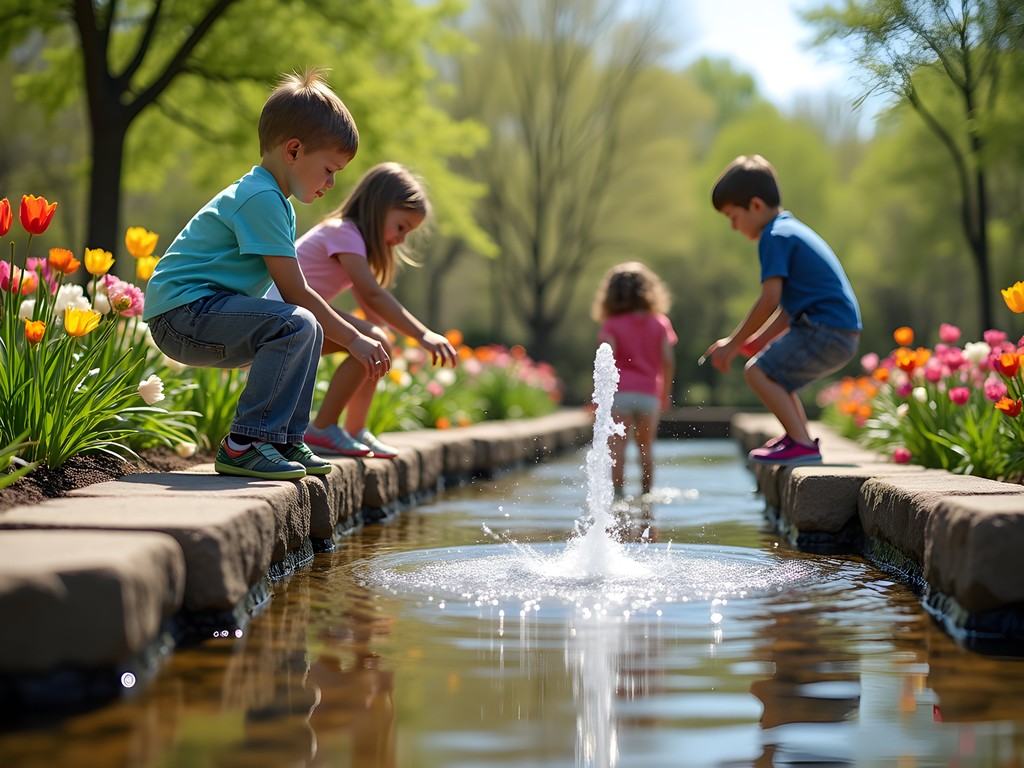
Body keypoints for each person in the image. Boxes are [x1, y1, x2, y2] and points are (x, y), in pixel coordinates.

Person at [143, 68, 392, 481]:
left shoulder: (276, 200)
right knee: (297, 322)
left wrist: (345, 333)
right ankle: (243, 445)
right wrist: (353, 338)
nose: (331, 183)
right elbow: (295, 291)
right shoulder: (261, 198)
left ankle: (281, 440)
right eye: (330, 169)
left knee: (304, 326)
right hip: (183, 314)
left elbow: (295, 295)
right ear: (293, 150)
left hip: (203, 312)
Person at [267, 162, 458, 459]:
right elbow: (373, 293)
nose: (400, 240)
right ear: (379, 207)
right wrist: (423, 335)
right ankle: (322, 428)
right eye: (400, 227)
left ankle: (356, 430)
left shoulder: (353, 242)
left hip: (296, 316)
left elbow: (370, 305)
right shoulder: (343, 232)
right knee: (374, 341)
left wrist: (384, 342)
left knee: (377, 344)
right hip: (278, 313)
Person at [703, 154, 861, 465]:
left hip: (826, 329)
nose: (734, 227)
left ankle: (802, 445)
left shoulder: (773, 237)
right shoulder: (789, 230)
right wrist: (759, 341)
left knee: (759, 372)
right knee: (773, 373)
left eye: (734, 217)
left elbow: (769, 299)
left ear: (756, 206)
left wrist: (734, 344)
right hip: (838, 331)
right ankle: (798, 438)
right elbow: (788, 310)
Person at [591, 261, 677, 498]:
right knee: (646, 446)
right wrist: (664, 393)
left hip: (620, 394)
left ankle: (618, 495)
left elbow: (604, 361)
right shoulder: (660, 322)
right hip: (649, 394)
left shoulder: (612, 324)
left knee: (617, 449)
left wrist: (597, 398)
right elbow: (667, 361)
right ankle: (647, 495)